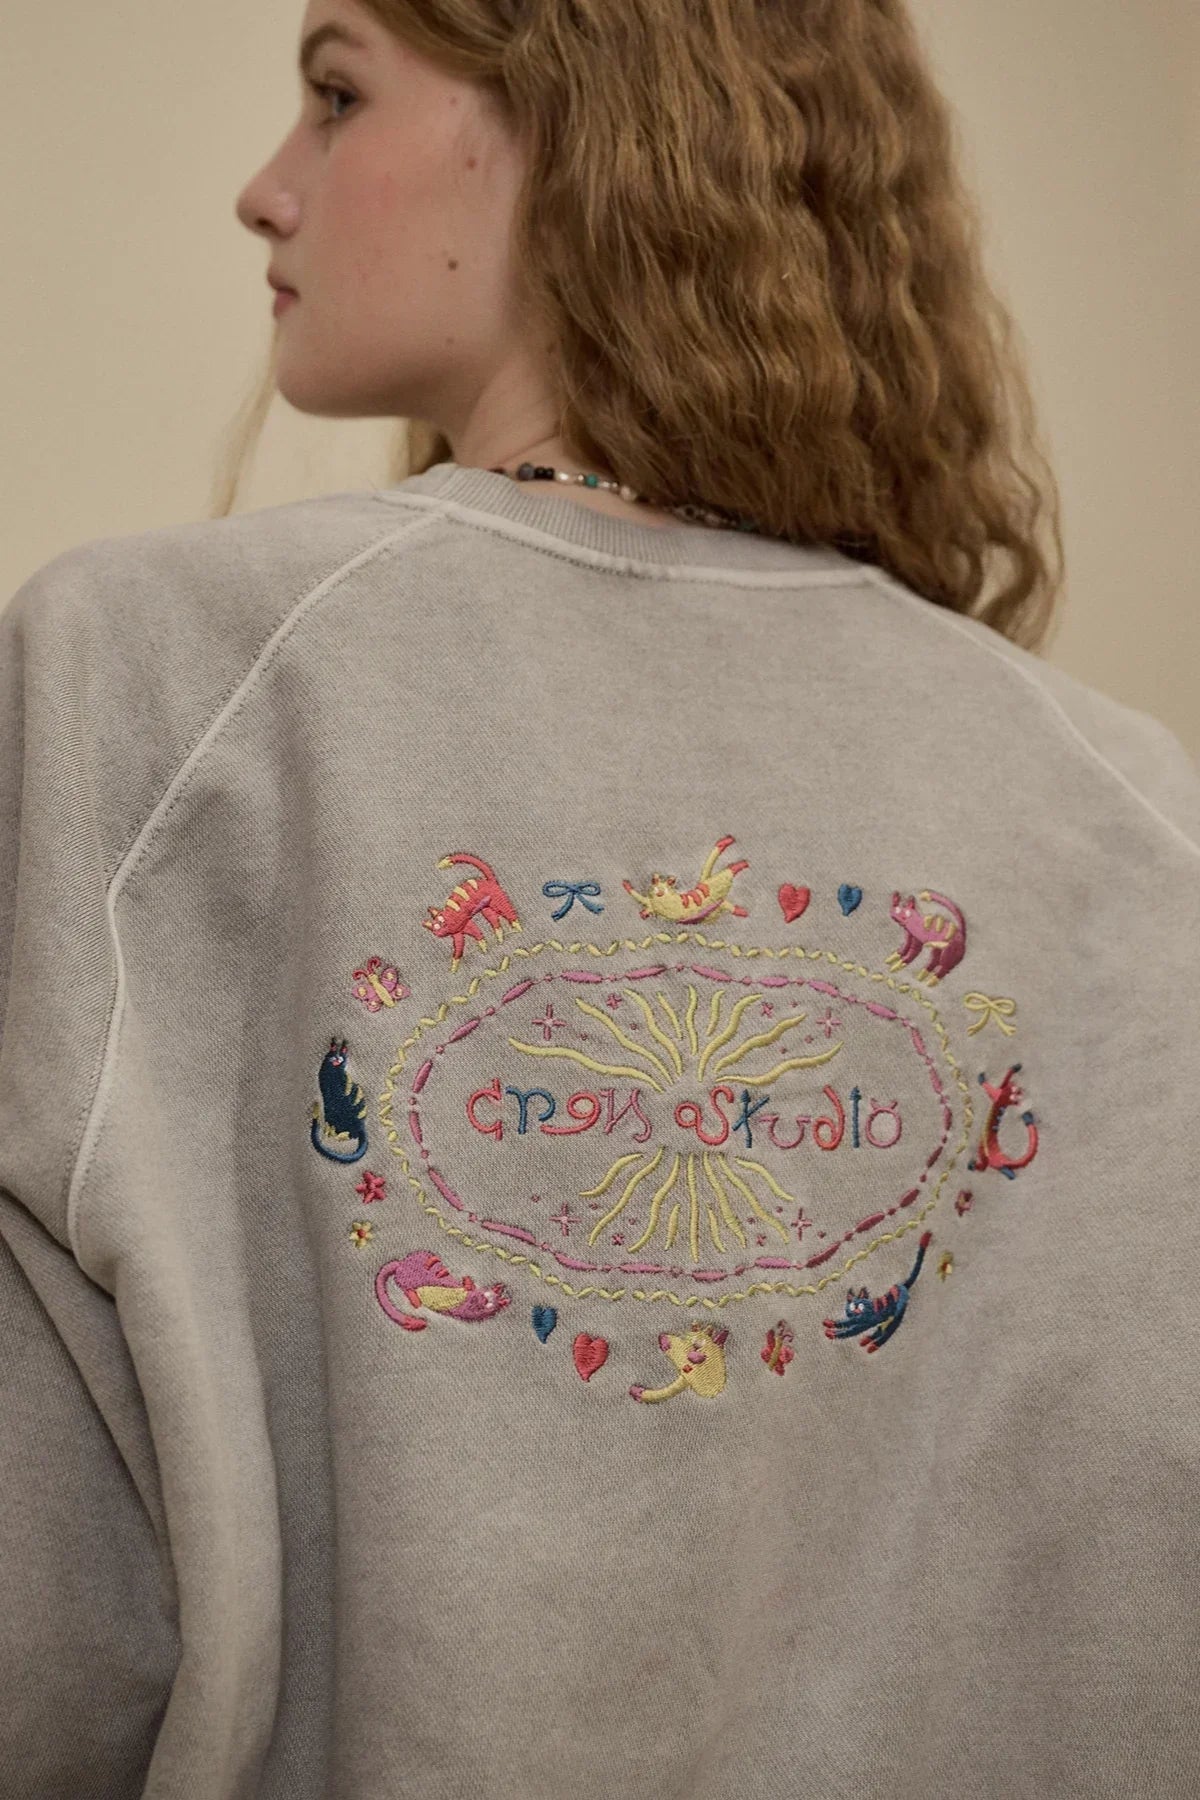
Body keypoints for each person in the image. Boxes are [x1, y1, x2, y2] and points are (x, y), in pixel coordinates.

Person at [2, 2, 1198, 1796]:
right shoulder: (1134, 817)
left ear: (591, 122)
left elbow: (49, 1608)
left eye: (338, 96)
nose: (270, 189)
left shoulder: (158, 690)